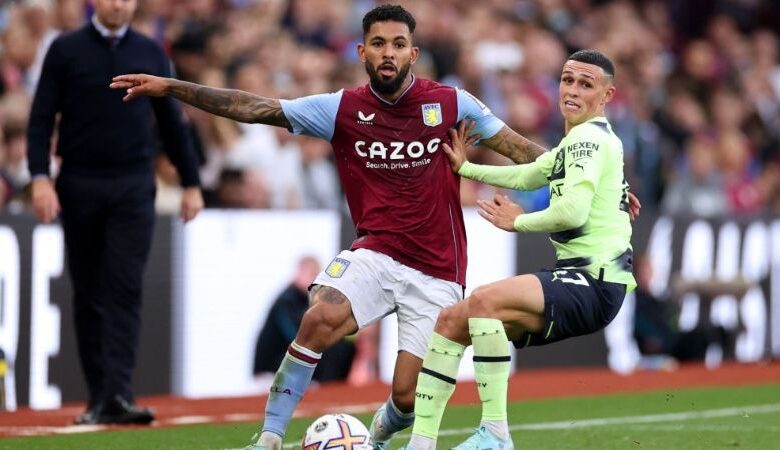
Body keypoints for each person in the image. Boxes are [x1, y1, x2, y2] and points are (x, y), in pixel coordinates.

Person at [109, 6, 639, 449]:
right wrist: (171, 87)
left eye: (399, 43)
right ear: (361, 52)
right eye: (378, 43)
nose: (388, 52)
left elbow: (521, 150)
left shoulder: (450, 104)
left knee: (407, 399)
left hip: (437, 269)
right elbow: (255, 108)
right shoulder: (340, 108)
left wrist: (596, 186)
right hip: (375, 252)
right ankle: (269, 437)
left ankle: (380, 439)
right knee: (320, 318)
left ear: (413, 52)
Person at [401, 49, 637, 450]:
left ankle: (495, 433)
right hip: (581, 280)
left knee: (483, 301)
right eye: (567, 80)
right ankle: (420, 444)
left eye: (586, 83)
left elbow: (571, 210)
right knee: (451, 321)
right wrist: (467, 169)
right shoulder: (577, 144)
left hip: (592, 281)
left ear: (607, 95)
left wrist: (518, 222)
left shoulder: (588, 140)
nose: (573, 90)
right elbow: (530, 174)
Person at [26, 0, 204, 425]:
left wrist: (191, 182)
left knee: (124, 288)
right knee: (88, 292)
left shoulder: (151, 51)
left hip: (132, 185)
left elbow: (171, 122)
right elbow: (40, 118)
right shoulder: (64, 49)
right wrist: (39, 176)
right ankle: (98, 398)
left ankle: (119, 394)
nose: (117, 4)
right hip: (80, 182)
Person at [253, 256, 356, 383]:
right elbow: (298, 335)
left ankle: (333, 391)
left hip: (287, 364)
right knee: (329, 350)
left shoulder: (302, 301)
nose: (314, 280)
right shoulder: (286, 301)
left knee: (341, 347)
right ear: (299, 272)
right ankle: (327, 391)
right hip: (271, 370)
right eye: (311, 274)